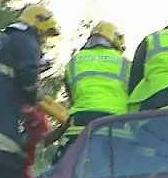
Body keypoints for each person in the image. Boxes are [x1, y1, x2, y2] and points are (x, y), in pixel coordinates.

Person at [0, 3, 60, 178]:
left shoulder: (6, 42)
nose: (43, 39)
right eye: (44, 33)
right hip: (0, 129)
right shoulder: (26, 41)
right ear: (38, 24)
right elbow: (27, 78)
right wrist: (37, 96)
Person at [45, 21, 130, 164]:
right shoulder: (125, 63)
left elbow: (72, 95)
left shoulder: (74, 62)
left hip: (79, 126)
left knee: (61, 174)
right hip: (116, 127)